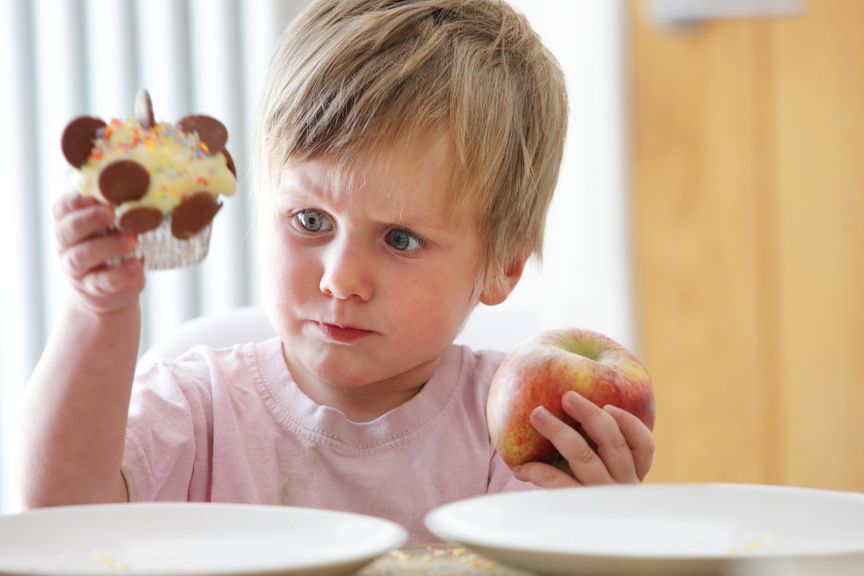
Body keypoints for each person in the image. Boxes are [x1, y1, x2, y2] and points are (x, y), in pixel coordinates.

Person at [22, 0, 655, 544]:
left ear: (501, 267)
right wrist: (96, 316)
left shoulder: (513, 429)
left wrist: (598, 525)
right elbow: (59, 521)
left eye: (401, 238)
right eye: (310, 222)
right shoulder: (198, 408)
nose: (340, 280)